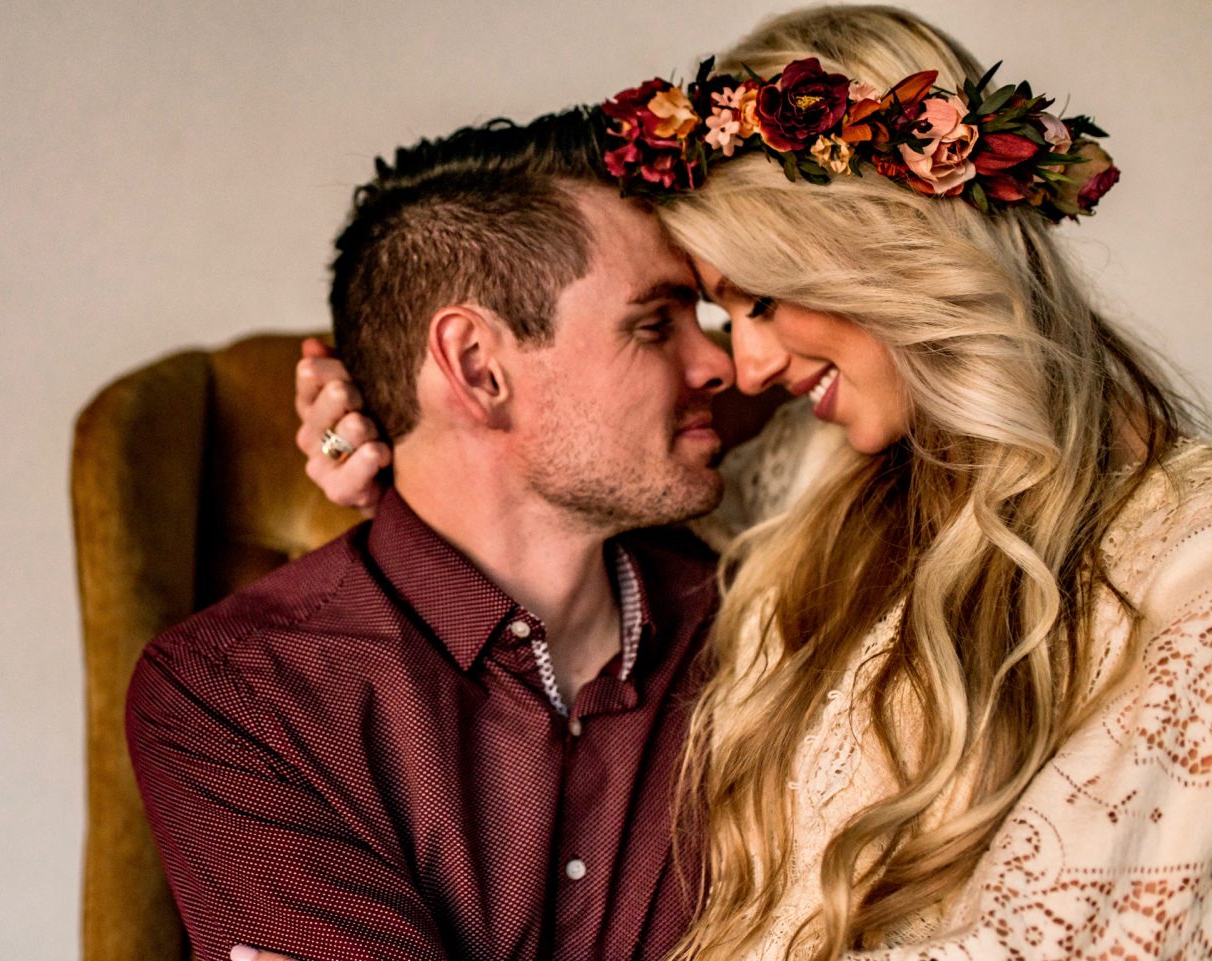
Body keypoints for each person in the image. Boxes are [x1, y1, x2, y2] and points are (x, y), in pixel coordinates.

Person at [293, 6, 1212, 958]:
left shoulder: (1186, 565)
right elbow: (544, 455)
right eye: (712, 313)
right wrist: (401, 410)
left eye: (759, 301)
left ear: (891, 249)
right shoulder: (805, 483)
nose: (746, 364)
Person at [126, 107, 742, 961]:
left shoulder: (760, 627)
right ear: (479, 368)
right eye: (653, 324)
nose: (721, 364)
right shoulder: (238, 694)